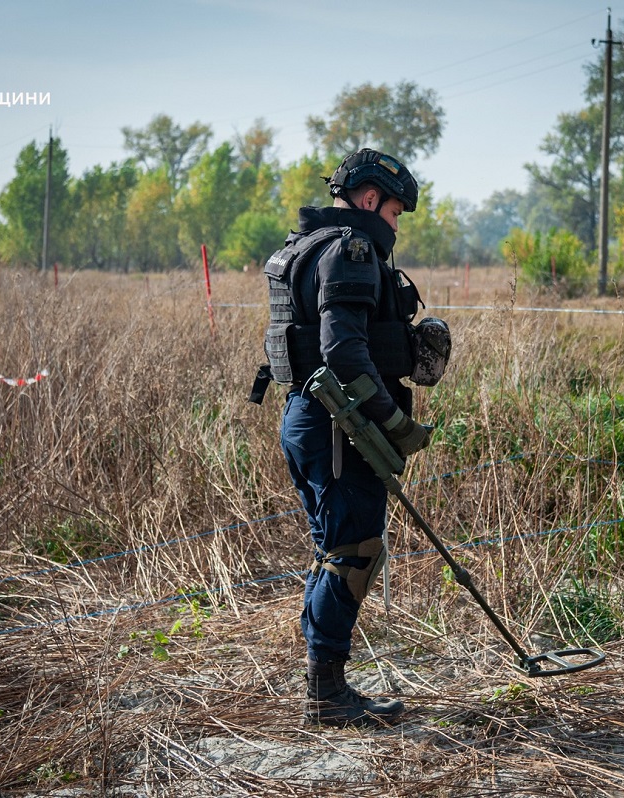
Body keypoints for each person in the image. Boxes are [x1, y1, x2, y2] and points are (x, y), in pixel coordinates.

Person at [253, 148, 436, 728]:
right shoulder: (351, 252)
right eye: (395, 212)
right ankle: (327, 694)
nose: (395, 225)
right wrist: (391, 422)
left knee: (336, 550)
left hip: (308, 419)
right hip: (339, 426)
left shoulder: (305, 246)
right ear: (368, 200)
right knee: (354, 551)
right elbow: (343, 352)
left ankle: (323, 681)